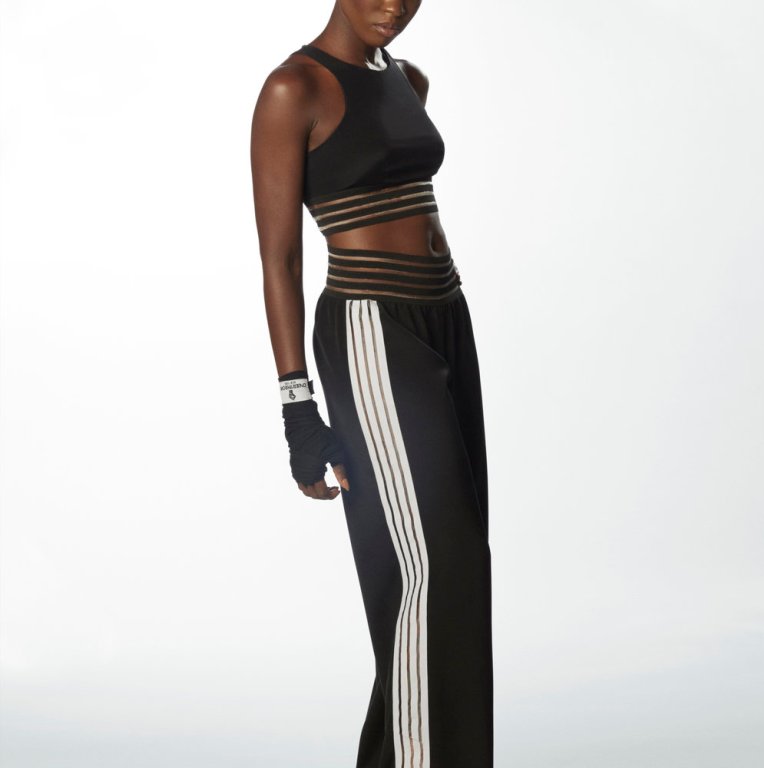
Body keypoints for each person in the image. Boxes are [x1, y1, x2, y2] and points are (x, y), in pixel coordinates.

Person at [250, 2, 493, 765]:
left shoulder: (407, 80)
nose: (394, 4)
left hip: (445, 317)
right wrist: (298, 409)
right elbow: (280, 259)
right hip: (371, 328)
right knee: (434, 569)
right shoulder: (294, 89)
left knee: (461, 562)